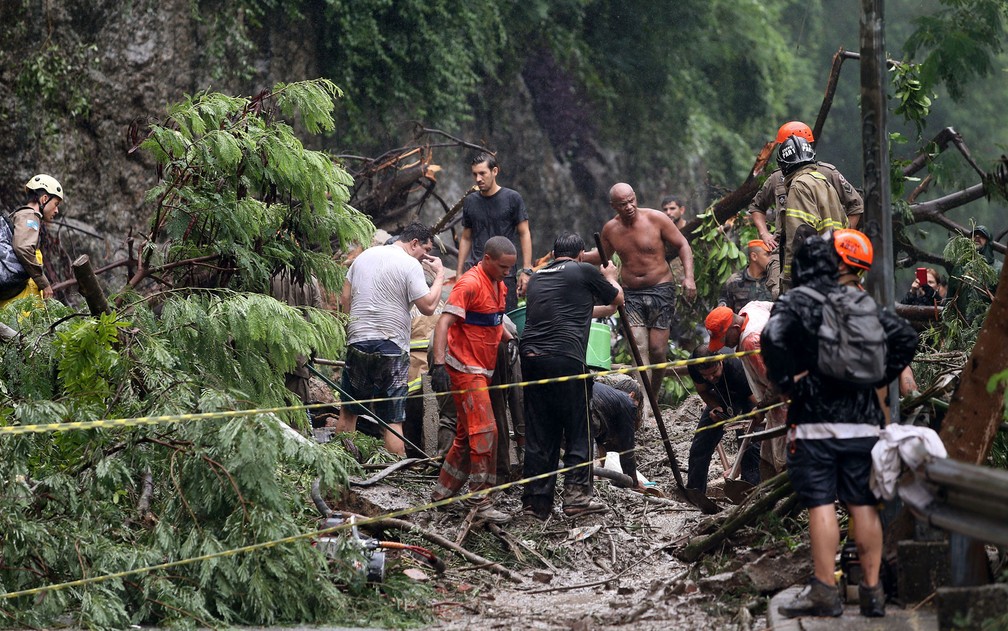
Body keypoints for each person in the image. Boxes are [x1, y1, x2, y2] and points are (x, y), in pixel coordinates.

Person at [761, 233, 918, 619]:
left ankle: (825, 591)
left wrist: (788, 385)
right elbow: (905, 337)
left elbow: (772, 336)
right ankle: (872, 591)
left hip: (815, 421)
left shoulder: (798, 299)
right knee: (863, 504)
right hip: (864, 423)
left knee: (820, 503)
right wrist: (879, 374)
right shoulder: (863, 302)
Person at [520, 232, 623, 520]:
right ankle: (577, 497)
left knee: (540, 431)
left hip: (531, 360)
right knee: (578, 427)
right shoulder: (585, 270)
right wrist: (612, 275)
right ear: (580, 255)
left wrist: (608, 307)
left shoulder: (538, 277)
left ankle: (535, 503)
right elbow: (619, 297)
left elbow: (572, 311)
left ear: (553, 255)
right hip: (565, 358)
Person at [336, 222, 445, 456]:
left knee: (349, 411)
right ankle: (396, 476)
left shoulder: (363, 257)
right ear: (414, 243)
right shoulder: (409, 264)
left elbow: (345, 297)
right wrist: (440, 276)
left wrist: (353, 329)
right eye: (425, 252)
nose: (425, 259)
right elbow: (428, 307)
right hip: (392, 348)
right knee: (392, 420)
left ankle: (342, 466)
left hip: (358, 342)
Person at [430, 236, 517, 523]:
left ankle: (442, 495)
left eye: (510, 268)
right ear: (487, 259)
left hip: (484, 368)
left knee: (466, 437)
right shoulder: (469, 284)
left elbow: (492, 321)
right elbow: (444, 322)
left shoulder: (499, 284)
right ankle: (480, 500)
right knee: (485, 431)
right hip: (465, 368)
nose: (508, 272)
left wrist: (512, 339)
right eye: (503, 266)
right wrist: (439, 364)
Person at [585, 182, 697, 403]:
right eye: (622, 204)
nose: (628, 207)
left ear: (635, 197)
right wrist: (576, 255)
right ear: (613, 206)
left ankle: (652, 397)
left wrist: (689, 277)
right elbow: (602, 257)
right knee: (638, 346)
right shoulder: (611, 229)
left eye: (631, 201)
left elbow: (683, 244)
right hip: (631, 294)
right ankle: (642, 405)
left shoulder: (656, 218)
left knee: (657, 350)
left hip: (661, 289)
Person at [749, 122, 862, 292]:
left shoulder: (826, 173)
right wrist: (764, 234)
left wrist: (842, 239)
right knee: (778, 293)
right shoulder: (777, 178)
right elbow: (757, 206)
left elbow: (855, 205)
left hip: (811, 252)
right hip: (784, 248)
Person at [705, 300, 787, 477]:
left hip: (786, 403)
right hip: (777, 401)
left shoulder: (751, 341)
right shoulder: (752, 308)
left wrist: (760, 408)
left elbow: (778, 383)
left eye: (725, 339)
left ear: (735, 327)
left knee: (785, 460)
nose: (725, 345)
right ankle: (768, 498)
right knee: (767, 457)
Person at [456, 152, 533, 311]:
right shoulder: (470, 201)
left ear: (495, 171)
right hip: (477, 272)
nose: (478, 179)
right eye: (475, 174)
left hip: (505, 273)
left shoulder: (512, 198)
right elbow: (466, 237)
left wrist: (526, 270)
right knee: (476, 318)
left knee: (507, 320)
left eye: (482, 173)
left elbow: (524, 233)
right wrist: (459, 273)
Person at [684, 344, 760, 494]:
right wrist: (716, 407)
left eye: (714, 373)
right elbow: (703, 390)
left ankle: (750, 490)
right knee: (701, 444)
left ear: (720, 362)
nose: (710, 378)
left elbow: (757, 403)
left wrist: (753, 418)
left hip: (748, 396)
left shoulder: (736, 368)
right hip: (722, 396)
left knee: (750, 442)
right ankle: (695, 492)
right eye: (706, 376)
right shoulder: (694, 366)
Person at [775, 135, 848, 289]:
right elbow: (845, 226)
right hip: (834, 275)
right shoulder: (824, 183)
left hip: (810, 280)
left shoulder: (799, 185)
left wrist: (789, 281)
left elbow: (800, 235)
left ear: (784, 166)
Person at [1, 174, 64, 309]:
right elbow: (23, 248)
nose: (57, 210)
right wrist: (44, 284)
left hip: (15, 296)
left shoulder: (20, 216)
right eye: (56, 204)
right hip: (20, 299)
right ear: (44, 199)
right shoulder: (29, 216)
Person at [591, 381, 642, 489]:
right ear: (632, 395)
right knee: (592, 455)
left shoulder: (606, 397)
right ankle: (594, 485)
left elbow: (598, 443)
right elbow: (627, 449)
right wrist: (633, 481)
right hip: (587, 412)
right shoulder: (628, 401)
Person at [718, 239, 775, 312]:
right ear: (754, 256)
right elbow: (725, 311)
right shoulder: (734, 281)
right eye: (767, 254)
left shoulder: (774, 279)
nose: (772, 258)